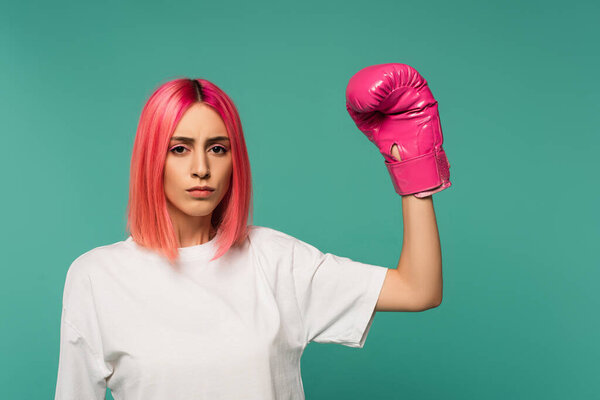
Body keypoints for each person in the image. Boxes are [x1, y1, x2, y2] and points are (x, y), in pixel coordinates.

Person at [55, 66, 447, 399]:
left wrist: (412, 163)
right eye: (179, 149)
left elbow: (419, 288)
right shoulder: (96, 277)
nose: (201, 168)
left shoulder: (274, 259)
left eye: (217, 148)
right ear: (150, 157)